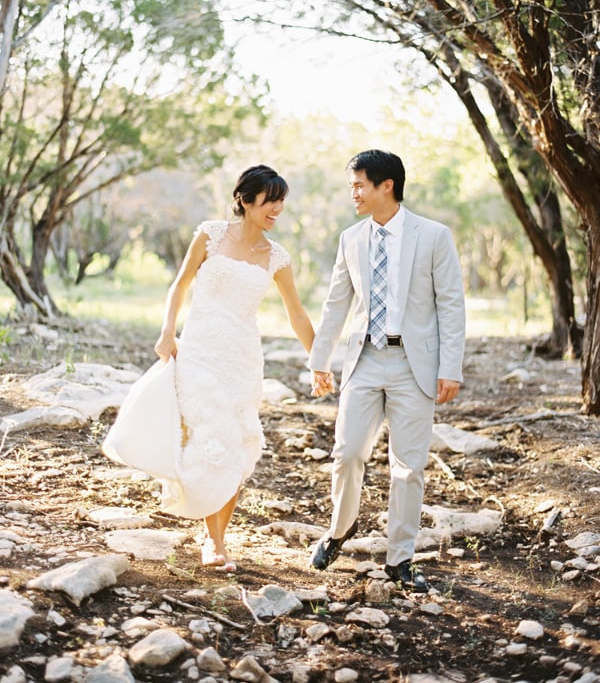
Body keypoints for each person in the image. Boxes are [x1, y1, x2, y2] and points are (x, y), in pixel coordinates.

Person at [308, 149, 465, 592]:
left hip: (415, 365)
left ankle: (400, 559)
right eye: (352, 186)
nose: (353, 193)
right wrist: (320, 360)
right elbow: (337, 302)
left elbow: (450, 303)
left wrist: (450, 367)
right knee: (347, 452)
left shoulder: (433, 236)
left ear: (386, 186)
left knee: (408, 466)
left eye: (359, 185)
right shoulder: (350, 239)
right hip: (364, 360)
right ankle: (340, 529)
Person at [152, 164, 315, 572]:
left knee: (238, 445)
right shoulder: (210, 234)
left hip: (242, 358)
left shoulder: (277, 256)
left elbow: (296, 314)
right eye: (270, 200)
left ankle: (216, 539)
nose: (277, 208)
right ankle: (212, 535)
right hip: (201, 352)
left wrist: (319, 361)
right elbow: (180, 284)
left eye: (281, 201)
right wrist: (168, 332)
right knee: (211, 437)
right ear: (245, 199)